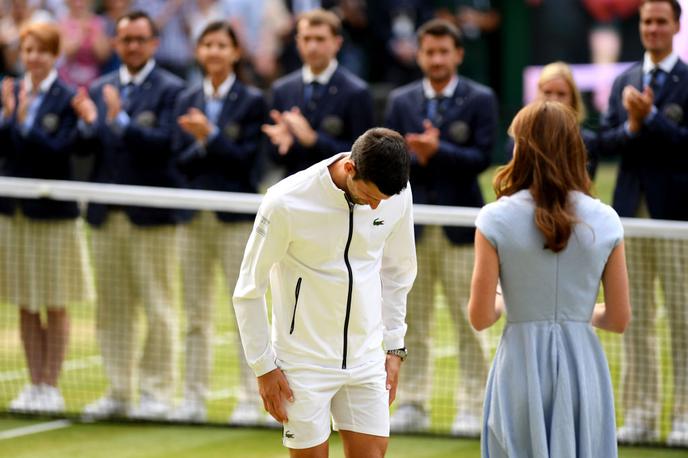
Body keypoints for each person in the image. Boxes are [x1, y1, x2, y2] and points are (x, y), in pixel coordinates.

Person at [232, 127, 417, 457]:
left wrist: (394, 347)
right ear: (350, 168)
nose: (376, 208)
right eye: (371, 197)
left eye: (383, 201)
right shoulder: (284, 201)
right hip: (302, 363)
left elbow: (398, 272)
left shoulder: (397, 193)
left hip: (366, 358)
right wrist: (263, 368)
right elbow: (248, 289)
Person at [470, 100, 631, 457]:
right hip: (583, 369)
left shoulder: (494, 219)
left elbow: (480, 316)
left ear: (522, 147)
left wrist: (516, 301)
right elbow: (619, 319)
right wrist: (571, 311)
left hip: (519, 368)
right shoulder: (606, 219)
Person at [384, 18, 497, 435]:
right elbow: (388, 159)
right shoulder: (401, 100)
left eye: (443, 52)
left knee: (469, 319)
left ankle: (474, 405)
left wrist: (439, 150)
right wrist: (417, 155)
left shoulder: (480, 98)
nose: (435, 59)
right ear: (418, 55)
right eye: (428, 52)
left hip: (460, 227)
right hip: (409, 229)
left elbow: (484, 156)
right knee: (412, 322)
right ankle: (412, 401)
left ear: (457, 55)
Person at [71, 10, 185, 420]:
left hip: (151, 218)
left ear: (153, 44)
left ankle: (156, 393)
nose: (133, 46)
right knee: (112, 310)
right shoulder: (100, 87)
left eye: (140, 39)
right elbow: (85, 151)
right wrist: (87, 126)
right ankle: (118, 391)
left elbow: (167, 146)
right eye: (126, 40)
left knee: (158, 308)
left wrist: (120, 120)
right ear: (116, 45)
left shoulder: (173, 90)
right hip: (106, 218)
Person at [170, 20, 270, 425]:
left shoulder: (252, 101)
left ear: (234, 53)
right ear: (198, 52)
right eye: (206, 44)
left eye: (220, 45)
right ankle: (192, 396)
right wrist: (201, 143)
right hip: (193, 218)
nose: (213, 52)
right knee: (195, 314)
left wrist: (210, 137)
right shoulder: (186, 97)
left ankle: (251, 400)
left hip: (235, 219)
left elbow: (248, 162)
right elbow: (176, 160)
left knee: (243, 312)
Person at [600, 0, 688, 445]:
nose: (652, 28)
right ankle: (639, 412)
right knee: (632, 320)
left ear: (675, 25)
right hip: (629, 218)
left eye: (660, 21)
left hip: (676, 220)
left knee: (682, 319)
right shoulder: (624, 80)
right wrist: (633, 128)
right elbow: (607, 141)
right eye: (646, 21)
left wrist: (651, 118)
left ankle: (685, 416)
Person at [0, 21, 92, 414]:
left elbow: (58, 152)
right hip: (15, 214)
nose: (33, 57)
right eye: (28, 50)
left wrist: (20, 122)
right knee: (25, 302)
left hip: (53, 214)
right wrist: (10, 119)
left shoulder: (68, 97)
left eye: (41, 50)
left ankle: (51, 385)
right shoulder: (10, 91)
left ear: (54, 55)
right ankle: (33, 383)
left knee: (54, 304)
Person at [262, 8, 374, 178]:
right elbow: (271, 156)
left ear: (337, 43)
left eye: (320, 39)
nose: (312, 47)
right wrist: (283, 143)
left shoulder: (356, 92)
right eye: (306, 39)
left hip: (336, 193)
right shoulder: (282, 89)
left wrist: (314, 140)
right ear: (297, 42)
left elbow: (363, 156)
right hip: (293, 189)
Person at [507, 61, 599, 179]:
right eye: (547, 92)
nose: (554, 99)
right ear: (538, 94)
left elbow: (585, 185)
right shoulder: (520, 138)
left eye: (561, 94)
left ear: (573, 98)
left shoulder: (587, 142)